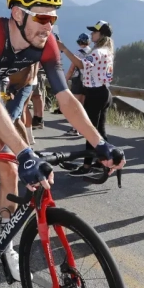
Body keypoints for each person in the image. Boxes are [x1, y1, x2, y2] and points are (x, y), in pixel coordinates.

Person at [0, 0, 124, 280]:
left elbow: (66, 100)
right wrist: (26, 153)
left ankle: (5, 240)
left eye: (53, 18)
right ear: (18, 14)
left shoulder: (46, 43)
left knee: (9, 168)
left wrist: (100, 143)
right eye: (42, 16)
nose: (49, 25)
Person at [58, 21, 115, 175]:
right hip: (104, 92)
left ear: (102, 34)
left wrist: (64, 48)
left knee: (90, 131)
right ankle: (106, 160)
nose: (91, 34)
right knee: (100, 131)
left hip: (95, 93)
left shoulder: (98, 52)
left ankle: (87, 167)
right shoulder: (107, 51)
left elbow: (81, 65)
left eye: (94, 32)